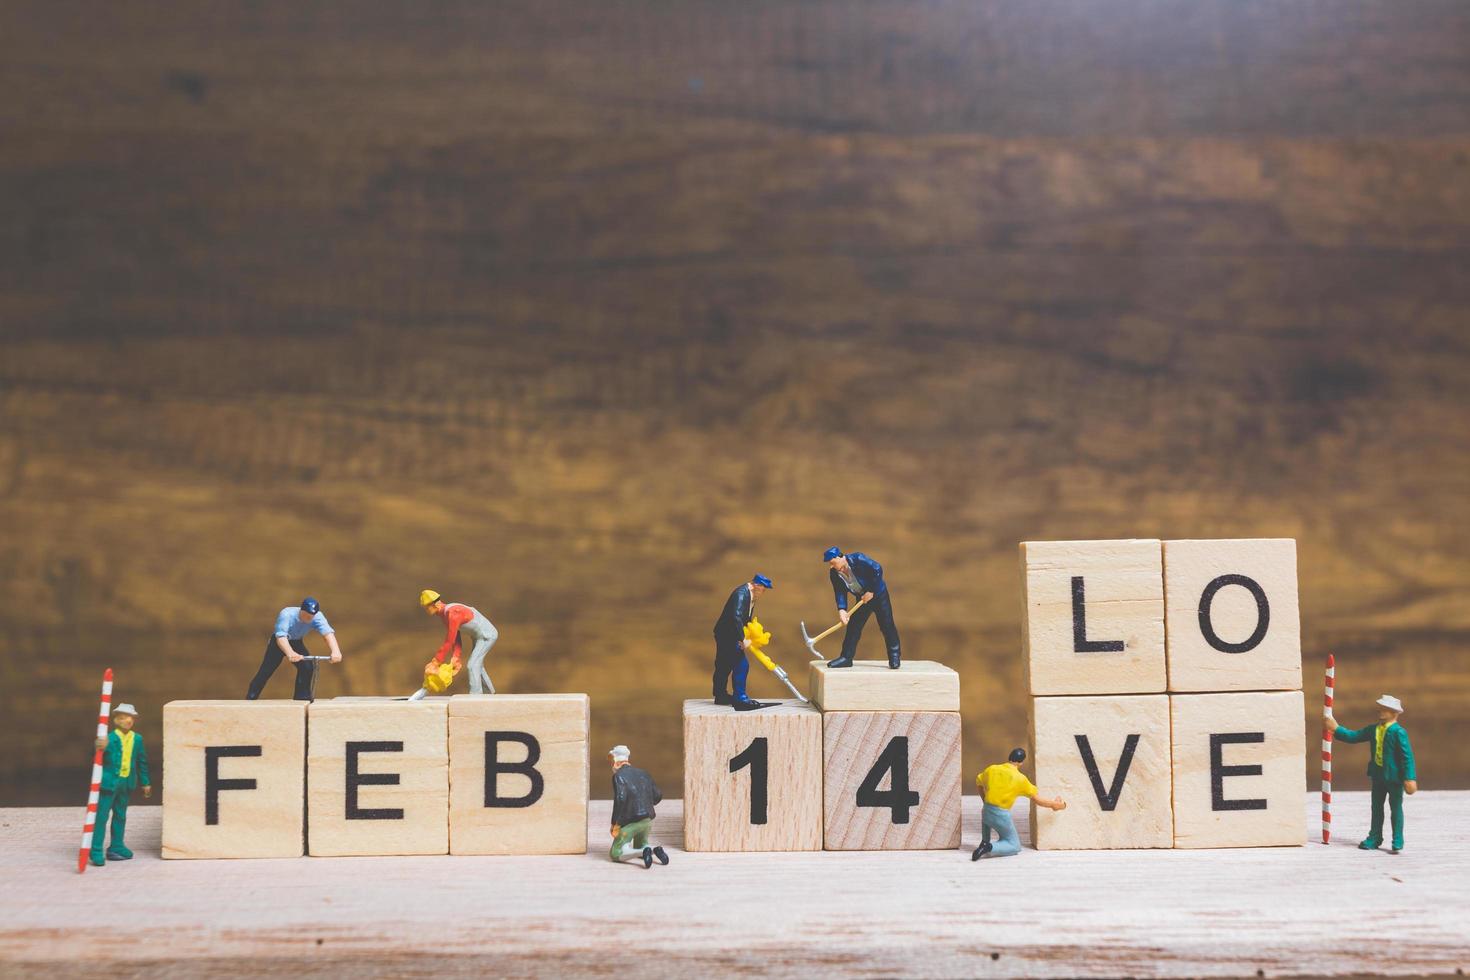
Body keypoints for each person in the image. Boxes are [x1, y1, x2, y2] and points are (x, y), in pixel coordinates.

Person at [1325, 694, 1417, 853]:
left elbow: (1407, 757)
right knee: (1376, 808)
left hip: (1395, 778)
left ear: (1394, 713)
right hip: (1378, 776)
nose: (1381, 712)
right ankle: (1375, 837)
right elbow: (1354, 736)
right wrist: (1336, 729)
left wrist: (1410, 778)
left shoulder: (1398, 732)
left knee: (1395, 808)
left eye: (1385, 710)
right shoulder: (1373, 729)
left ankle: (1398, 838)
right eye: (1380, 709)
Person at [972, 747, 1066, 860]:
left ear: (1009, 758)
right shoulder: (1020, 779)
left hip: (986, 810)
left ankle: (984, 842)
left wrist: (985, 800)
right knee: (1014, 845)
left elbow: (978, 781)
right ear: (1021, 762)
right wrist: (1054, 804)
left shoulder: (992, 769)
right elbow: (1038, 800)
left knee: (987, 825)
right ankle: (989, 847)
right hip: (1000, 814)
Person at [89, 703, 151, 867]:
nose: (128, 720)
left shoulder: (137, 739)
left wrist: (145, 782)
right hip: (109, 784)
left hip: (126, 783)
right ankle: (95, 850)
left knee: (120, 816)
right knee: (101, 817)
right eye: (123, 717)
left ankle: (116, 846)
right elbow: (96, 759)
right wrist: (98, 747)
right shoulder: (108, 739)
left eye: (130, 717)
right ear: (116, 720)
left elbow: (141, 761)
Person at [245, 597, 342, 701]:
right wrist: (290, 653)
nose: (309, 618)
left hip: (296, 642)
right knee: (266, 671)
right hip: (278, 643)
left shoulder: (317, 617)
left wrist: (336, 651)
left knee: (307, 667)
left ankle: (301, 698)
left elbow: (327, 634)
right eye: (307, 615)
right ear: (301, 610)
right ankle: (251, 697)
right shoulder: (287, 614)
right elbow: (281, 637)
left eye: (312, 616)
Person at [822, 547, 902, 669]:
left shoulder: (858, 559)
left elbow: (877, 568)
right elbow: (839, 592)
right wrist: (842, 610)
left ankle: (894, 655)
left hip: (879, 596)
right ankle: (846, 657)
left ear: (840, 557)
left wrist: (871, 590)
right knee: (854, 627)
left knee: (887, 625)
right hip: (862, 600)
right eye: (830, 564)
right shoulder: (835, 574)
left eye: (833, 563)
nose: (831, 566)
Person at [416, 590, 498, 695]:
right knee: (478, 665)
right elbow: (455, 636)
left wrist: (436, 661)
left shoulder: (453, 613)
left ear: (436, 604)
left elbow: (449, 639)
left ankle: (476, 697)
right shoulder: (444, 615)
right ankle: (489, 693)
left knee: (472, 665)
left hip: (487, 635)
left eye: (427, 607)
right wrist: (456, 657)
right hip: (477, 637)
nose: (426, 610)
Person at [712, 574, 775, 711]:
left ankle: (720, 695)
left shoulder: (751, 595)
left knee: (724, 665)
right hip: (729, 635)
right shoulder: (741, 594)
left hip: (728, 633)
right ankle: (740, 698)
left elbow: (745, 618)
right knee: (741, 664)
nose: (764, 592)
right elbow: (736, 617)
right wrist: (743, 638)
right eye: (764, 589)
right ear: (757, 585)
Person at [608, 745, 668, 868]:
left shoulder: (619, 776)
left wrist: (615, 823)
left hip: (631, 822)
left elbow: (620, 799)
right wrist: (646, 802)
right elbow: (658, 795)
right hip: (647, 821)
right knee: (641, 844)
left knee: (615, 853)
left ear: (615, 760)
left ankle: (643, 852)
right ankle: (654, 850)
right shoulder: (643, 773)